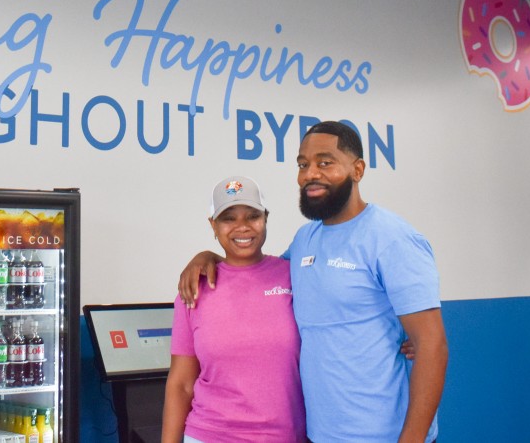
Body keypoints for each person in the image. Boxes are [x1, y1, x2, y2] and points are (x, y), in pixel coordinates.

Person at [178, 121, 448, 443]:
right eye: (303, 165)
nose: (310, 174)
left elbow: (432, 345)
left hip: (383, 435)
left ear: (357, 169)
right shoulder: (306, 239)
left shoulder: (393, 239)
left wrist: (413, 439)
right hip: (321, 435)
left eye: (325, 162)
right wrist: (209, 256)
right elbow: (254, 269)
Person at [162, 175, 305, 443]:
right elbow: (181, 384)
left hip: (285, 437)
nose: (242, 227)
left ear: (266, 219)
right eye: (229, 219)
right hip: (208, 434)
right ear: (213, 226)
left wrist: (407, 339)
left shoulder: (295, 276)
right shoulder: (193, 288)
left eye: (252, 216)